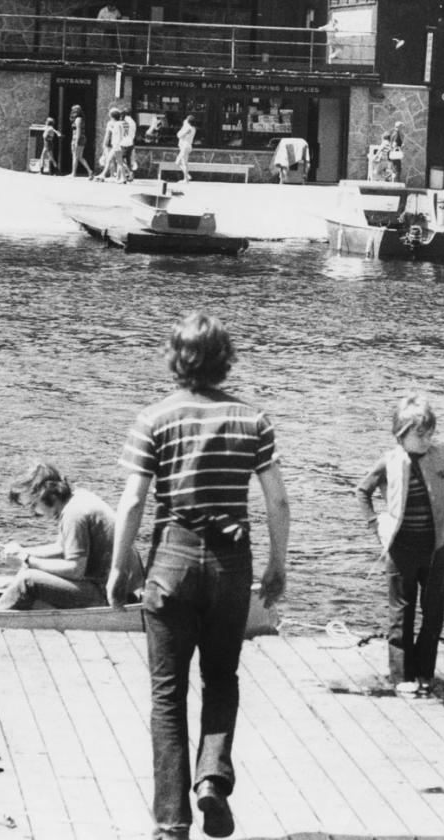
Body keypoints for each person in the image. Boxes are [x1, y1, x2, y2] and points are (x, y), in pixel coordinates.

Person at [108, 313, 290, 840]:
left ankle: (171, 822)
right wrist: (279, 563)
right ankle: (212, 776)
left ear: (175, 359)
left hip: (173, 561)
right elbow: (277, 497)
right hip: (231, 563)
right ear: (224, 359)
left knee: (167, 694)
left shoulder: (154, 419)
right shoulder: (252, 420)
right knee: (221, 678)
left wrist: (121, 568)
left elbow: (134, 500)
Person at [355, 394, 444, 698]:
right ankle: (402, 673)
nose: (427, 440)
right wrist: (374, 525)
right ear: (401, 434)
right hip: (401, 549)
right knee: (402, 611)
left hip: (435, 547)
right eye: (420, 434)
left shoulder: (441, 455)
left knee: (435, 609)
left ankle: (426, 671)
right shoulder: (389, 461)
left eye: (430, 433)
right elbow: (362, 491)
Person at [0, 461, 122, 611]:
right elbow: (62, 548)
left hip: (105, 594)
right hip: (114, 587)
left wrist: (27, 561)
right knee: (28, 574)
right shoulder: (78, 499)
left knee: (27, 580)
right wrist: (23, 551)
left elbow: (75, 569)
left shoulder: (73, 514)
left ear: (49, 495)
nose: (34, 513)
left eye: (33, 505)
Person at [170, 112, 198, 187]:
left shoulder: (187, 128)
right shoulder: (193, 128)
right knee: (180, 162)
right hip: (188, 146)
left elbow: (179, 135)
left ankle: (186, 179)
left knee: (181, 162)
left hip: (185, 146)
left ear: (188, 121)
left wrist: (184, 125)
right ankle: (187, 176)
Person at [68, 105, 95, 178]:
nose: (73, 112)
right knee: (79, 157)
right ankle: (89, 171)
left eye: (74, 111)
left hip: (77, 138)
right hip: (80, 138)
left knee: (75, 156)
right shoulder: (80, 119)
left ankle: (73, 173)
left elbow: (78, 131)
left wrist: (76, 142)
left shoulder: (78, 119)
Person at [118, 109, 138, 183]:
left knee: (121, 159)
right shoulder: (133, 122)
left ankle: (130, 172)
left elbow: (124, 133)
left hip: (124, 142)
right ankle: (128, 175)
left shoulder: (125, 122)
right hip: (131, 142)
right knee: (128, 160)